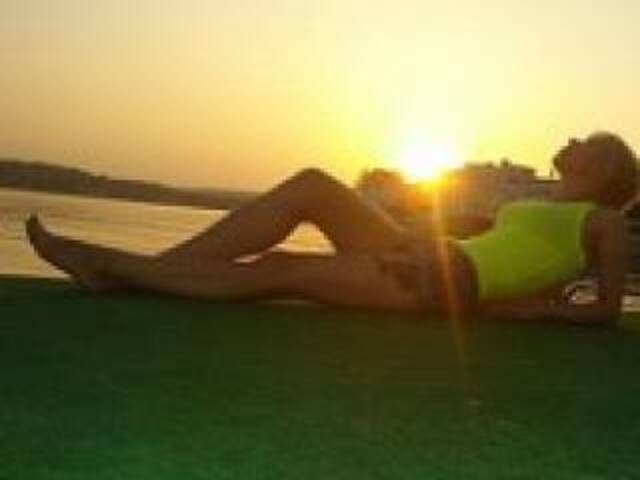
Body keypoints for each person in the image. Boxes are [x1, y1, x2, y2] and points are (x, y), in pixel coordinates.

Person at [25, 131, 638, 326]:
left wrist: (533, 310)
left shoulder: (606, 221)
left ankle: (115, 268)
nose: (573, 140)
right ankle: (150, 271)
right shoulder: (543, 203)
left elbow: (607, 310)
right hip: (429, 249)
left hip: (440, 279)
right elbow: (515, 248)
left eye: (588, 141)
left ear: (607, 168)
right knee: (313, 184)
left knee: (281, 270)